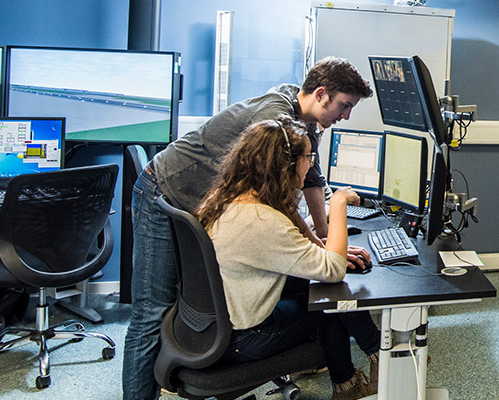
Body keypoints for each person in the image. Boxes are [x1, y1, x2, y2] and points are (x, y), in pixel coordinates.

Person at [123, 57, 375, 400]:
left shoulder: (300, 116)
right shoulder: (273, 123)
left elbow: (311, 180)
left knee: (312, 288)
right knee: (151, 312)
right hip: (166, 187)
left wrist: (321, 237)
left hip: (206, 203)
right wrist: (324, 246)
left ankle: (366, 366)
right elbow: (281, 203)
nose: (345, 116)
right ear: (320, 94)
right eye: (344, 106)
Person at [196, 117, 375, 399]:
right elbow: (334, 270)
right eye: (308, 157)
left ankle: (362, 370)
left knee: (318, 289)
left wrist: (320, 244)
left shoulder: (231, 195)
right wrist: (337, 203)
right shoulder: (260, 221)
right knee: (330, 302)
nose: (312, 165)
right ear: (286, 165)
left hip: (218, 322)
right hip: (246, 337)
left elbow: (291, 224)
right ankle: (359, 375)